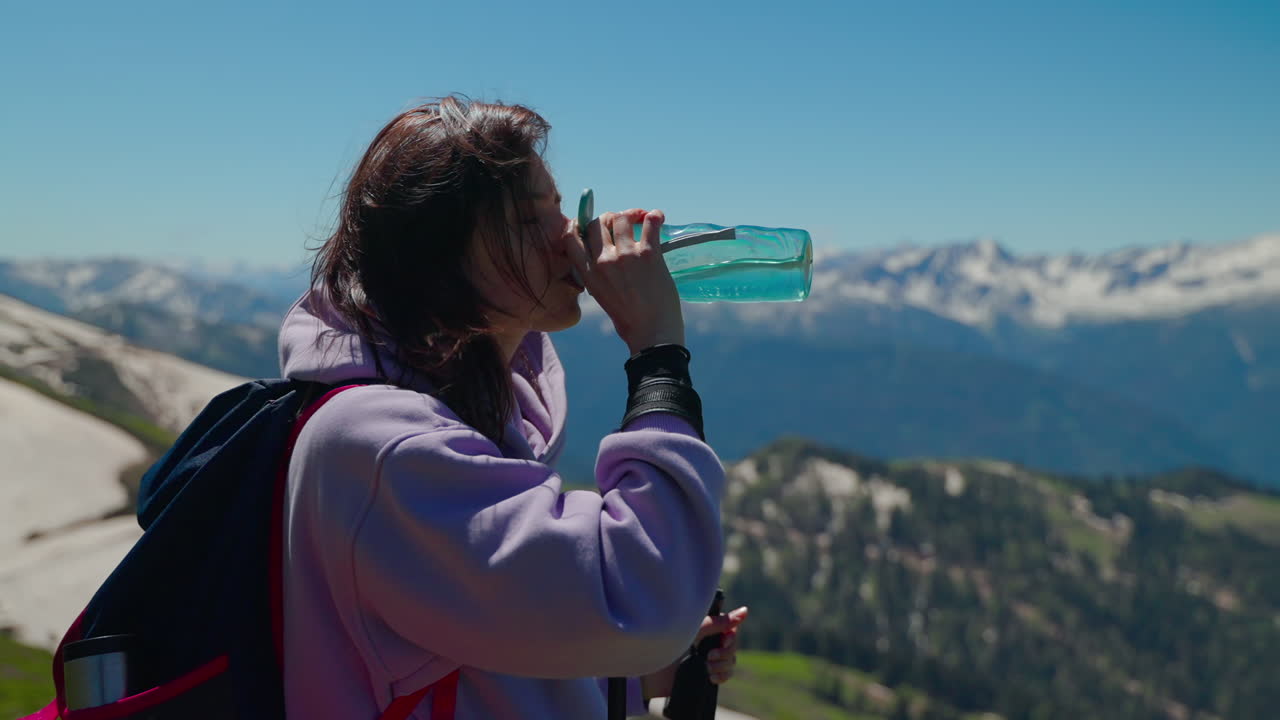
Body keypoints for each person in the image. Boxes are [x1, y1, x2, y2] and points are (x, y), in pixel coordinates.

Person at [278, 95, 748, 719]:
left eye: (560, 208)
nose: (570, 237)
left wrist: (652, 664)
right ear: (438, 253)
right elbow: (642, 595)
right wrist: (658, 353)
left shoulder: (475, 418)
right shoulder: (379, 447)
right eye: (530, 220)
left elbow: (484, 650)